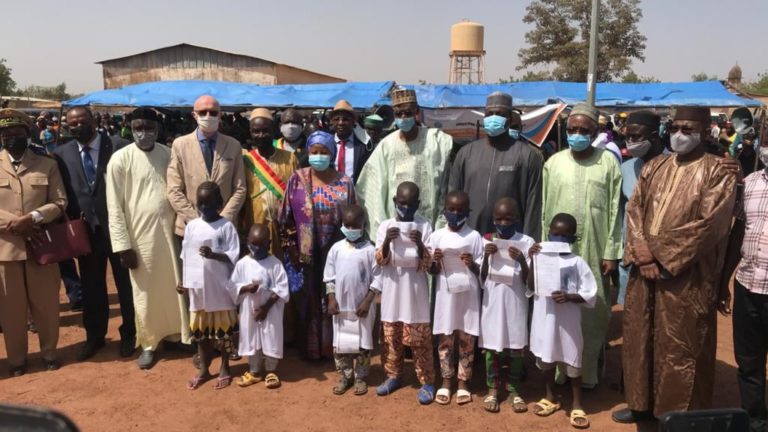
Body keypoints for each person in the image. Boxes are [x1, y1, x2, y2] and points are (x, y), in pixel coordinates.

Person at [614, 106, 737, 423]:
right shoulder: (655, 165)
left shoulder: (717, 171)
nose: (679, 135)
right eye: (675, 128)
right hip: (644, 269)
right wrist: (641, 250)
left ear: (705, 131)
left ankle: (677, 415)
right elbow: (635, 209)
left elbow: (710, 225)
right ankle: (640, 403)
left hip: (687, 274)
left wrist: (657, 253)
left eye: (688, 129)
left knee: (680, 345)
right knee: (641, 336)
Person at [540, 102, 622, 389]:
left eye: (583, 130)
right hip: (558, 253)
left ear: (595, 132)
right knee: (559, 310)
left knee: (592, 309)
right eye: (572, 129)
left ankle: (588, 373)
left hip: (595, 249)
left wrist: (611, 252)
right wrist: (544, 251)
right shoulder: (553, 163)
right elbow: (545, 211)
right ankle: (560, 372)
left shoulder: (608, 163)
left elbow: (615, 210)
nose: (577, 134)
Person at [105, 108, 190, 369]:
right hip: (139, 240)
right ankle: (149, 344)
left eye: (149, 128)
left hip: (170, 236)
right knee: (145, 293)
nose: (144, 133)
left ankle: (175, 336)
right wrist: (123, 247)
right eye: (138, 128)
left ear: (157, 128)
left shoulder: (168, 154)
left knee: (174, 287)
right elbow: (114, 207)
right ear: (130, 129)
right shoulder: (120, 159)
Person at [54, 106, 136, 361]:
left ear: (93, 120)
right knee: (91, 288)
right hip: (86, 231)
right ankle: (95, 336)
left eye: (82, 121)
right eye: (72, 124)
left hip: (119, 228)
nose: (77, 126)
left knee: (126, 285)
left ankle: (130, 333)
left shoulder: (120, 146)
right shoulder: (61, 154)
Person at [0, 109, 68, 376]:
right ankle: (17, 360)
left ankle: (49, 353)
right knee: (11, 310)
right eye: (6, 134)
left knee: (46, 305)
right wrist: (16, 224)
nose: (11, 138)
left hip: (41, 247)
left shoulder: (47, 164)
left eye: (17, 133)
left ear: (28, 135)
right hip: (6, 250)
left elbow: (60, 202)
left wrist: (33, 218)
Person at [278, 130, 356, 360]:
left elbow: (354, 214)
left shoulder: (344, 182)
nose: (319, 156)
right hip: (305, 252)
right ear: (308, 152)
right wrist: (290, 246)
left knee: (334, 295)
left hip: (336, 249)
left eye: (324, 152)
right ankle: (309, 349)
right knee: (307, 298)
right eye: (314, 152)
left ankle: (335, 347)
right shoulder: (298, 179)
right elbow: (284, 216)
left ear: (331, 154)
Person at [529, 213, 597, 429]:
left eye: (564, 235)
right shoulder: (539, 258)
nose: (558, 238)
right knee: (547, 360)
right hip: (544, 319)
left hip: (568, 323)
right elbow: (529, 285)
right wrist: (530, 259)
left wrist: (569, 297)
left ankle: (577, 404)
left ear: (573, 239)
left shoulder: (578, 262)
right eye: (554, 233)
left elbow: (590, 293)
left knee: (572, 361)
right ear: (548, 233)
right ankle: (550, 397)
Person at [356, 88, 453, 237]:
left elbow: (446, 184)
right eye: (398, 114)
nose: (403, 117)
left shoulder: (436, 142)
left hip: (427, 225)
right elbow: (372, 186)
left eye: (407, 113)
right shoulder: (387, 145)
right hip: (394, 226)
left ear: (416, 112)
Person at [449, 91, 543, 239]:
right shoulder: (466, 154)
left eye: (499, 114)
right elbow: (452, 197)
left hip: (511, 240)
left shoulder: (527, 156)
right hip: (469, 238)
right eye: (489, 114)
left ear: (509, 118)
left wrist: (529, 243)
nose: (493, 118)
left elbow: (533, 206)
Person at [721, 137, 768, 432]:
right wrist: (723, 281)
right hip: (748, 285)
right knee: (749, 361)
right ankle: (755, 421)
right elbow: (738, 232)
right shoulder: (750, 183)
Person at [374, 181, 436, 405]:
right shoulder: (385, 226)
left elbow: (429, 264)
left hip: (415, 292)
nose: (406, 208)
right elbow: (379, 260)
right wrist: (387, 242)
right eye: (402, 203)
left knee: (420, 341)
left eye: (410, 204)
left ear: (417, 204)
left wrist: (419, 244)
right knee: (392, 339)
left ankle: (427, 381)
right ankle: (393, 375)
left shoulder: (424, 226)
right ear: (395, 201)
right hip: (393, 291)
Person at [178, 182, 240, 390]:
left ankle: (225, 366)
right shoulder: (192, 227)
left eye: (208, 203)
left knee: (223, 333)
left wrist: (214, 255)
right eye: (200, 203)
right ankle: (204, 368)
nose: (204, 207)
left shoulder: (226, 227)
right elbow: (186, 257)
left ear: (219, 204)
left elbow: (233, 256)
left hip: (219, 288)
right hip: (198, 289)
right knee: (201, 333)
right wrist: (184, 283)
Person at [427, 190, 484, 406]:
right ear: (444, 210)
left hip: (468, 297)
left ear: (468, 212)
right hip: (446, 297)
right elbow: (432, 271)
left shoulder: (474, 237)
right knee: (445, 338)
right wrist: (435, 261)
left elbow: (482, 269)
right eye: (451, 209)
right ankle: (446, 380)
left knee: (467, 339)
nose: (455, 213)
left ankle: (463, 382)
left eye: (460, 210)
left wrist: (471, 264)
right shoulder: (437, 236)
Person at [479, 197, 535, 414]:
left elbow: (530, 282)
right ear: (493, 219)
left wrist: (521, 260)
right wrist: (486, 257)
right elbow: (481, 278)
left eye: (508, 219)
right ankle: (492, 389)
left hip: (515, 304)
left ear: (516, 219)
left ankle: (513, 388)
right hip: (492, 303)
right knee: (492, 348)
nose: (503, 223)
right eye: (499, 219)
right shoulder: (486, 241)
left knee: (516, 348)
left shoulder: (526, 242)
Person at [167, 94, 247, 238]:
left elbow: (240, 188)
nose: (208, 116)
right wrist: (197, 222)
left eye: (213, 113)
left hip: (224, 228)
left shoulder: (233, 145)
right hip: (190, 227)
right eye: (203, 112)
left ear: (220, 115)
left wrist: (223, 219)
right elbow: (174, 189)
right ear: (194, 115)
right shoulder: (180, 145)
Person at [324, 204, 380, 396]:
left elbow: (378, 278)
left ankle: (361, 377)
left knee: (362, 343)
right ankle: (344, 376)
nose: (350, 229)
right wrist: (331, 298)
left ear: (363, 225)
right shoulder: (336, 249)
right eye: (346, 225)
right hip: (341, 307)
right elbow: (329, 277)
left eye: (354, 226)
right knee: (341, 343)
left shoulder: (370, 250)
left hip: (362, 307)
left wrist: (368, 301)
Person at [231, 224, 289, 390]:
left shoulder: (275, 264)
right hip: (249, 312)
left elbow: (282, 288)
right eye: (253, 244)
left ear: (269, 244)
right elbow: (232, 286)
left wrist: (266, 308)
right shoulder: (242, 264)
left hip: (270, 311)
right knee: (252, 340)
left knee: (271, 338)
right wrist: (246, 288)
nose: (256, 248)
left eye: (261, 245)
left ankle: (271, 371)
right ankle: (254, 371)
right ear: (247, 241)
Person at [617, 111, 666, 305]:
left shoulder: (675, 166)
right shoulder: (626, 168)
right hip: (631, 253)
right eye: (628, 137)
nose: (630, 142)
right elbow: (622, 211)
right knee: (632, 308)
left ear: (653, 136)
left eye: (636, 137)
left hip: (662, 256)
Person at [241, 108, 298, 257]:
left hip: (284, 228)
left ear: (274, 131)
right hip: (256, 226)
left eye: (265, 131)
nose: (261, 135)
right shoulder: (245, 160)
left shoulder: (290, 158)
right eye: (256, 131)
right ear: (250, 132)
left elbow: (298, 194)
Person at [330, 100, 371, 184]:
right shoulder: (326, 145)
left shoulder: (364, 146)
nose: (340, 123)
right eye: (337, 119)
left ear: (353, 122)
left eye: (345, 119)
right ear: (332, 122)